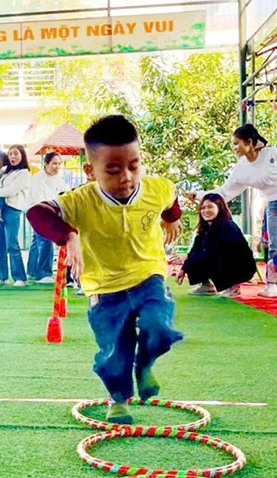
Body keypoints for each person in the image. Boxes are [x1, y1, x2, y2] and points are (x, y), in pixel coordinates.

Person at [27, 115, 183, 425]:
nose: (126, 177)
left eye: (134, 166)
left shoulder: (155, 189)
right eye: (112, 170)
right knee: (114, 349)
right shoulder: (81, 200)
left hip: (148, 276)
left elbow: (171, 197)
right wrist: (68, 234)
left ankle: (145, 363)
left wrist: (172, 218)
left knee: (159, 327)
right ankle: (118, 399)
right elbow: (37, 213)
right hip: (103, 287)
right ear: (90, 171)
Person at [190, 124, 277, 297]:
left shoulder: (273, 154)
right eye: (232, 144)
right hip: (273, 204)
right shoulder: (241, 167)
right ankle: (274, 285)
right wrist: (199, 195)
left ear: (249, 142)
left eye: (236, 143)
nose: (234, 148)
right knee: (275, 245)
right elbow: (226, 192)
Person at [175, 193, 256, 297]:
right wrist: (184, 269)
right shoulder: (205, 228)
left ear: (219, 208)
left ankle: (233, 286)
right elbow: (196, 249)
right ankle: (206, 286)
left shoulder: (227, 226)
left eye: (210, 207)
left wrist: (187, 257)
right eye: (203, 208)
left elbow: (215, 252)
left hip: (241, 267)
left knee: (202, 257)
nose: (205, 211)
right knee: (196, 255)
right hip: (221, 260)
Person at [0, 145, 32, 287]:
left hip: (12, 209)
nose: (12, 157)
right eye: (10, 154)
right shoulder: (5, 172)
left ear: (22, 155)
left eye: (16, 154)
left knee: (12, 243)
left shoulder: (24, 173)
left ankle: (20, 277)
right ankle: (2, 276)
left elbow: (11, 191)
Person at [27, 152, 68, 284]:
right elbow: (38, 199)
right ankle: (44, 274)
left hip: (52, 212)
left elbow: (65, 194)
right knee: (45, 240)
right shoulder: (37, 179)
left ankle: (32, 271)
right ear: (46, 164)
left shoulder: (59, 179)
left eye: (59, 164)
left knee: (37, 241)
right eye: (54, 163)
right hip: (39, 212)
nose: (57, 166)